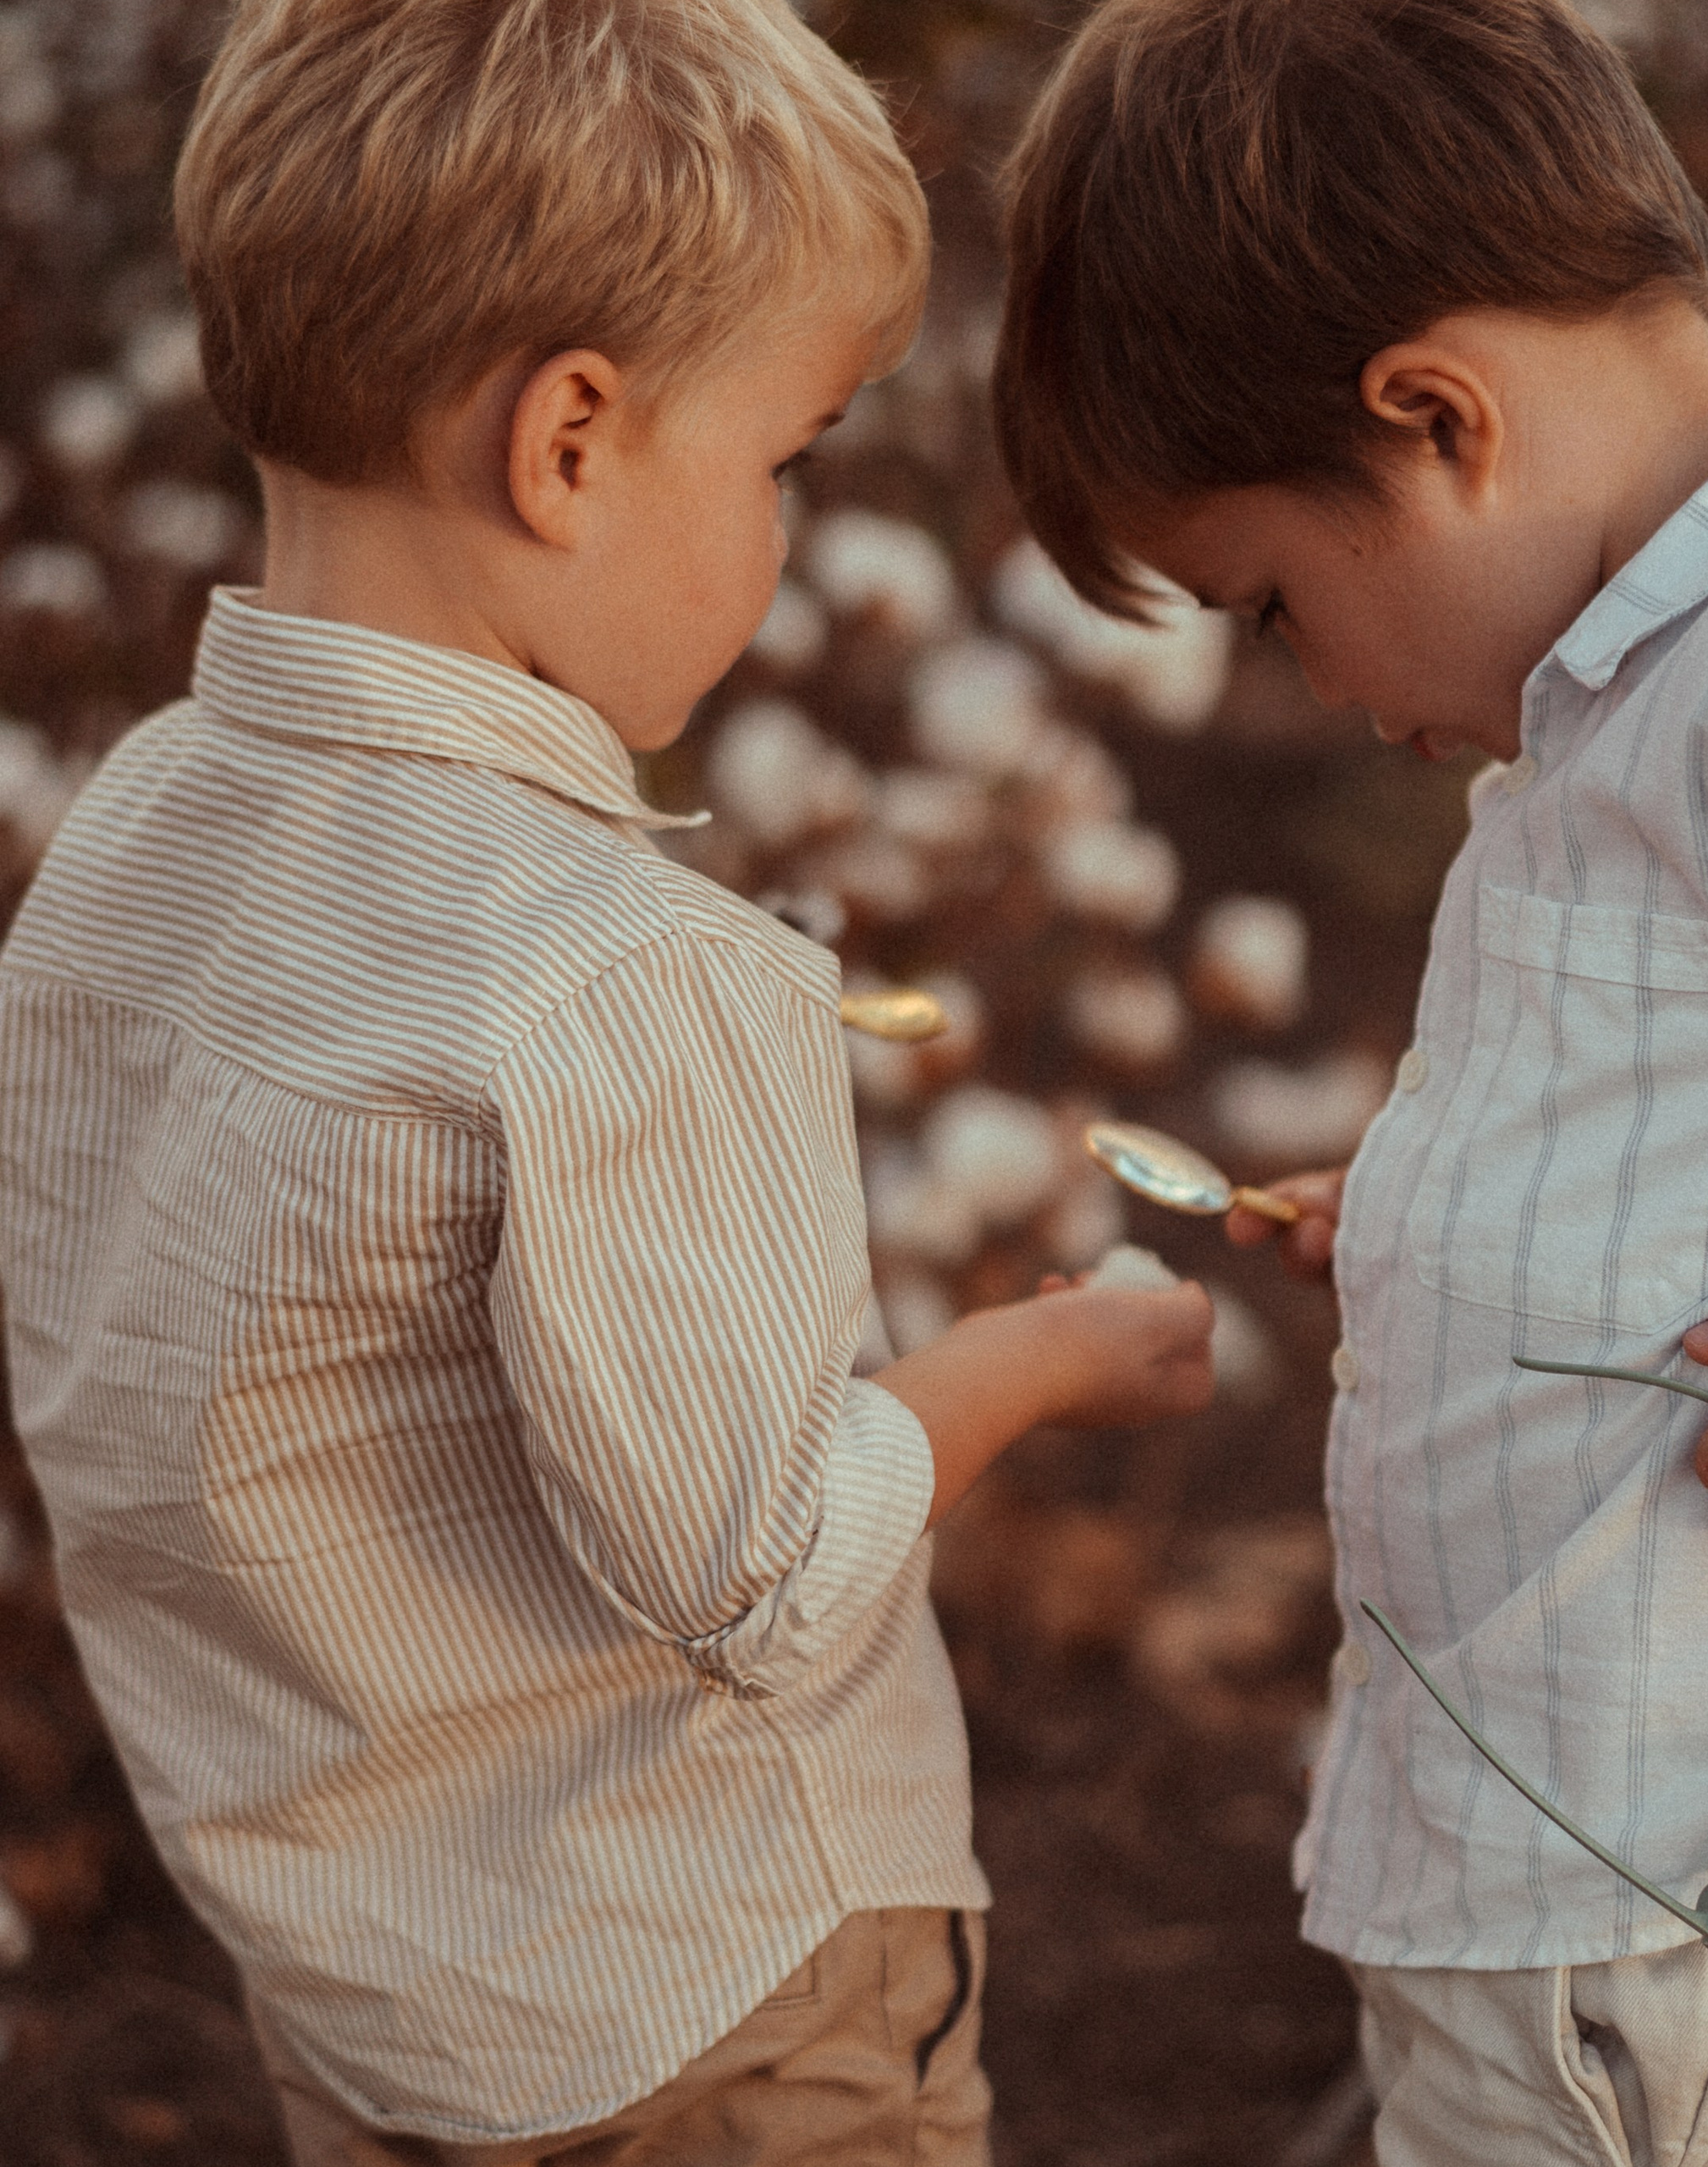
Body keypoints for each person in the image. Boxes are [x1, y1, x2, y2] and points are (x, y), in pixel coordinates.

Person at [0, 3, 1216, 2162]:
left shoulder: (127, 843)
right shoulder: (622, 975)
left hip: (361, 1992)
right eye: (783, 464)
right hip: (715, 2006)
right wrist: (1040, 1357)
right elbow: (758, 1574)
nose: (777, 533)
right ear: (569, 441)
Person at [991, 2, 1708, 2160]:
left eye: (1266, 603)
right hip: (1575, 1876)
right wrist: (1463, 1218)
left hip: (1704, 1908)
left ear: (1436, 417)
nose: (1321, 687)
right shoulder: (1644, 683)